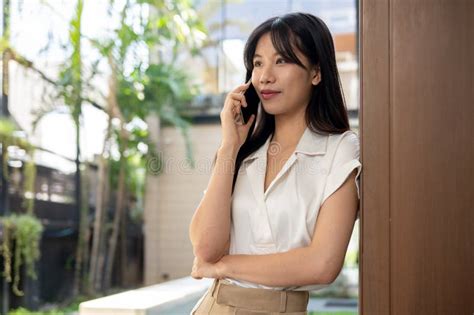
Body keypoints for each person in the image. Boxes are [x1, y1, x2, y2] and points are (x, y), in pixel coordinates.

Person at [188, 12, 362, 315]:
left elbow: (322, 265)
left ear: (316, 72)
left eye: (281, 61)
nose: (265, 76)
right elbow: (205, 249)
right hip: (214, 307)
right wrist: (229, 146)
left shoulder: (341, 149)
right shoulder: (241, 151)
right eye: (257, 63)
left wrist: (225, 265)